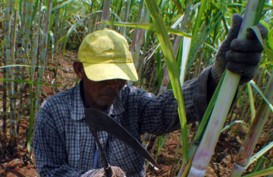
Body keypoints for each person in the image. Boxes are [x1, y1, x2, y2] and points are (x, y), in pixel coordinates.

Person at [33, 14, 267, 177]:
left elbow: (168, 109)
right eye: (103, 77)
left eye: (119, 77)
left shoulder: (131, 101)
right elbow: (50, 169)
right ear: (79, 70)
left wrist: (218, 78)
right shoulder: (53, 112)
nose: (113, 85)